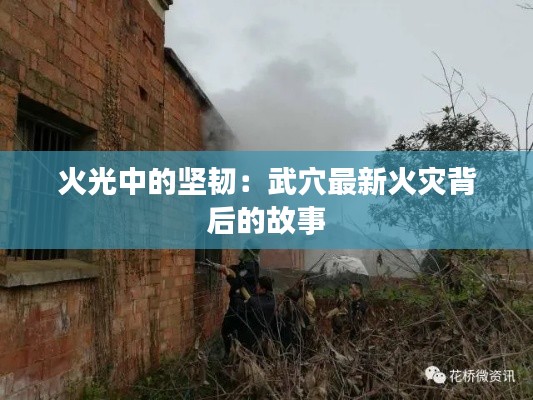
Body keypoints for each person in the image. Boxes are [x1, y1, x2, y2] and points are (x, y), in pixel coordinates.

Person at [217, 244, 261, 357]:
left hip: (242, 305)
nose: (242, 252)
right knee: (228, 330)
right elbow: (237, 270)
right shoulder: (246, 265)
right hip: (236, 303)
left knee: (231, 330)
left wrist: (227, 273)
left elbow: (238, 282)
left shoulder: (251, 268)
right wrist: (226, 268)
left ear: (250, 253)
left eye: (245, 250)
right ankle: (232, 355)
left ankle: (234, 357)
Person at [239, 276, 276, 352]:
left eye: (258, 286)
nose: (256, 287)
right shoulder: (271, 298)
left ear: (263, 289)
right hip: (264, 334)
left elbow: (245, 307)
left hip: (254, 336)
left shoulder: (256, 301)